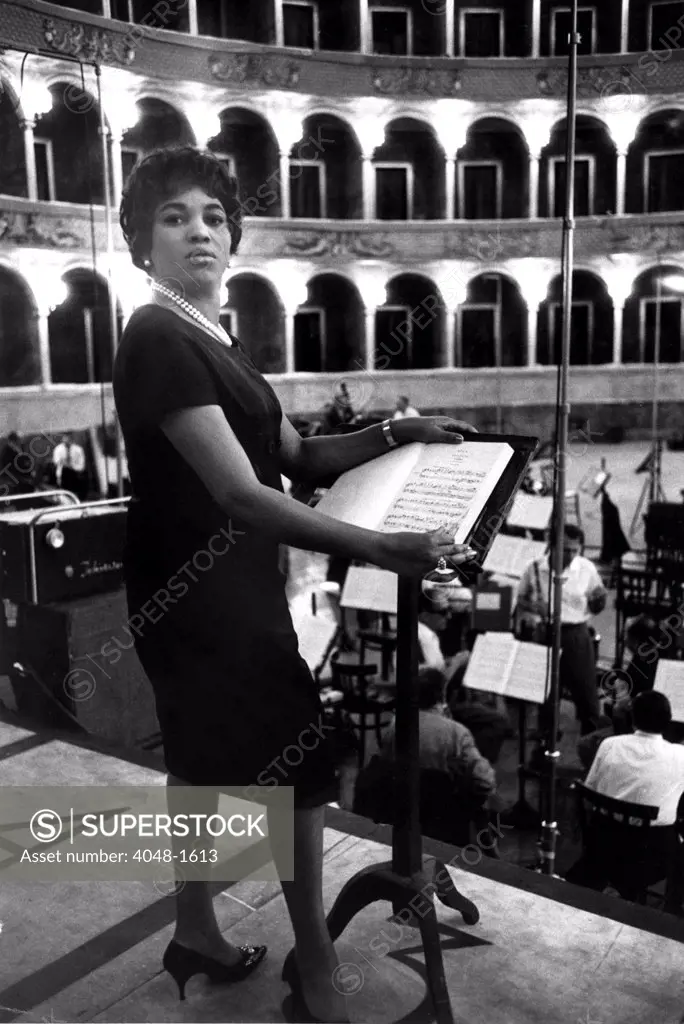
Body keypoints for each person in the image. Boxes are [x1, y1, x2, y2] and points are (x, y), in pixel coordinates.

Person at [113, 146, 477, 1023]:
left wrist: (396, 430)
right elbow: (240, 491)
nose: (199, 230)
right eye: (174, 217)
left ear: (233, 236)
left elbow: (299, 458)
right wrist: (382, 546)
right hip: (200, 596)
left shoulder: (214, 337)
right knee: (300, 771)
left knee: (200, 764)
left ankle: (195, 926)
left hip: (221, 584)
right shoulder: (156, 335)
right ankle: (314, 966)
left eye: (213, 216)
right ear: (140, 244)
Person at [565, 691, 684, 896]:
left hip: (602, 846)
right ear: (667, 721)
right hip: (652, 858)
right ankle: (673, 907)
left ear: (633, 719)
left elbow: (590, 790)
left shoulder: (609, 744)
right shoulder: (680, 756)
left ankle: (613, 885)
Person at [515, 523, 607, 736]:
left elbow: (597, 597)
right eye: (565, 549)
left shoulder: (586, 568)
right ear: (551, 545)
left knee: (587, 694)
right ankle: (546, 742)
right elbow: (521, 599)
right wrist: (533, 606)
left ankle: (590, 743)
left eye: (575, 550)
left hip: (576, 633)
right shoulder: (534, 568)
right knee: (547, 694)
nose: (571, 555)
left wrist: (599, 600)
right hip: (546, 632)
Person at [53, 433, 87, 499]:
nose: (66, 440)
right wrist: (64, 463)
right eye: (65, 438)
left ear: (71, 438)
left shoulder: (78, 449)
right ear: (62, 439)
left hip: (76, 473)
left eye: (68, 438)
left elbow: (82, 465)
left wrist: (73, 468)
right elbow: (56, 462)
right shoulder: (58, 449)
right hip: (63, 475)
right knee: (66, 471)